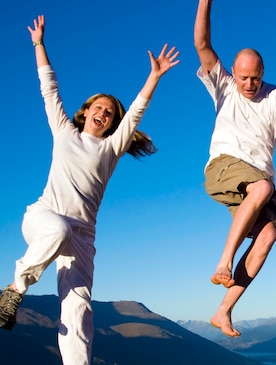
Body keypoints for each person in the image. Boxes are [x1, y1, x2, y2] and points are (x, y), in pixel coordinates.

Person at [0, 15, 179, 364]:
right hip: (44, 218)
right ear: (85, 112)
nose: (103, 113)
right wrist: (39, 44)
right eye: (98, 107)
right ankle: (14, 290)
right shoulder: (65, 132)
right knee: (58, 228)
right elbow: (48, 88)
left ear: (113, 122)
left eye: (109, 112)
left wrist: (154, 76)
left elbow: (136, 113)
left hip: (82, 237)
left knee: (78, 309)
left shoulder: (111, 150)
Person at [193, 0, 276, 337]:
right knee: (261, 188)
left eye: (255, 78)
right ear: (233, 72)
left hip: (258, 180)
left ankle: (224, 311)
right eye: (243, 77)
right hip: (224, 167)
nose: (248, 84)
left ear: (263, 73)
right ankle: (224, 262)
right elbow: (201, 43)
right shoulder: (224, 86)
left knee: (269, 235)